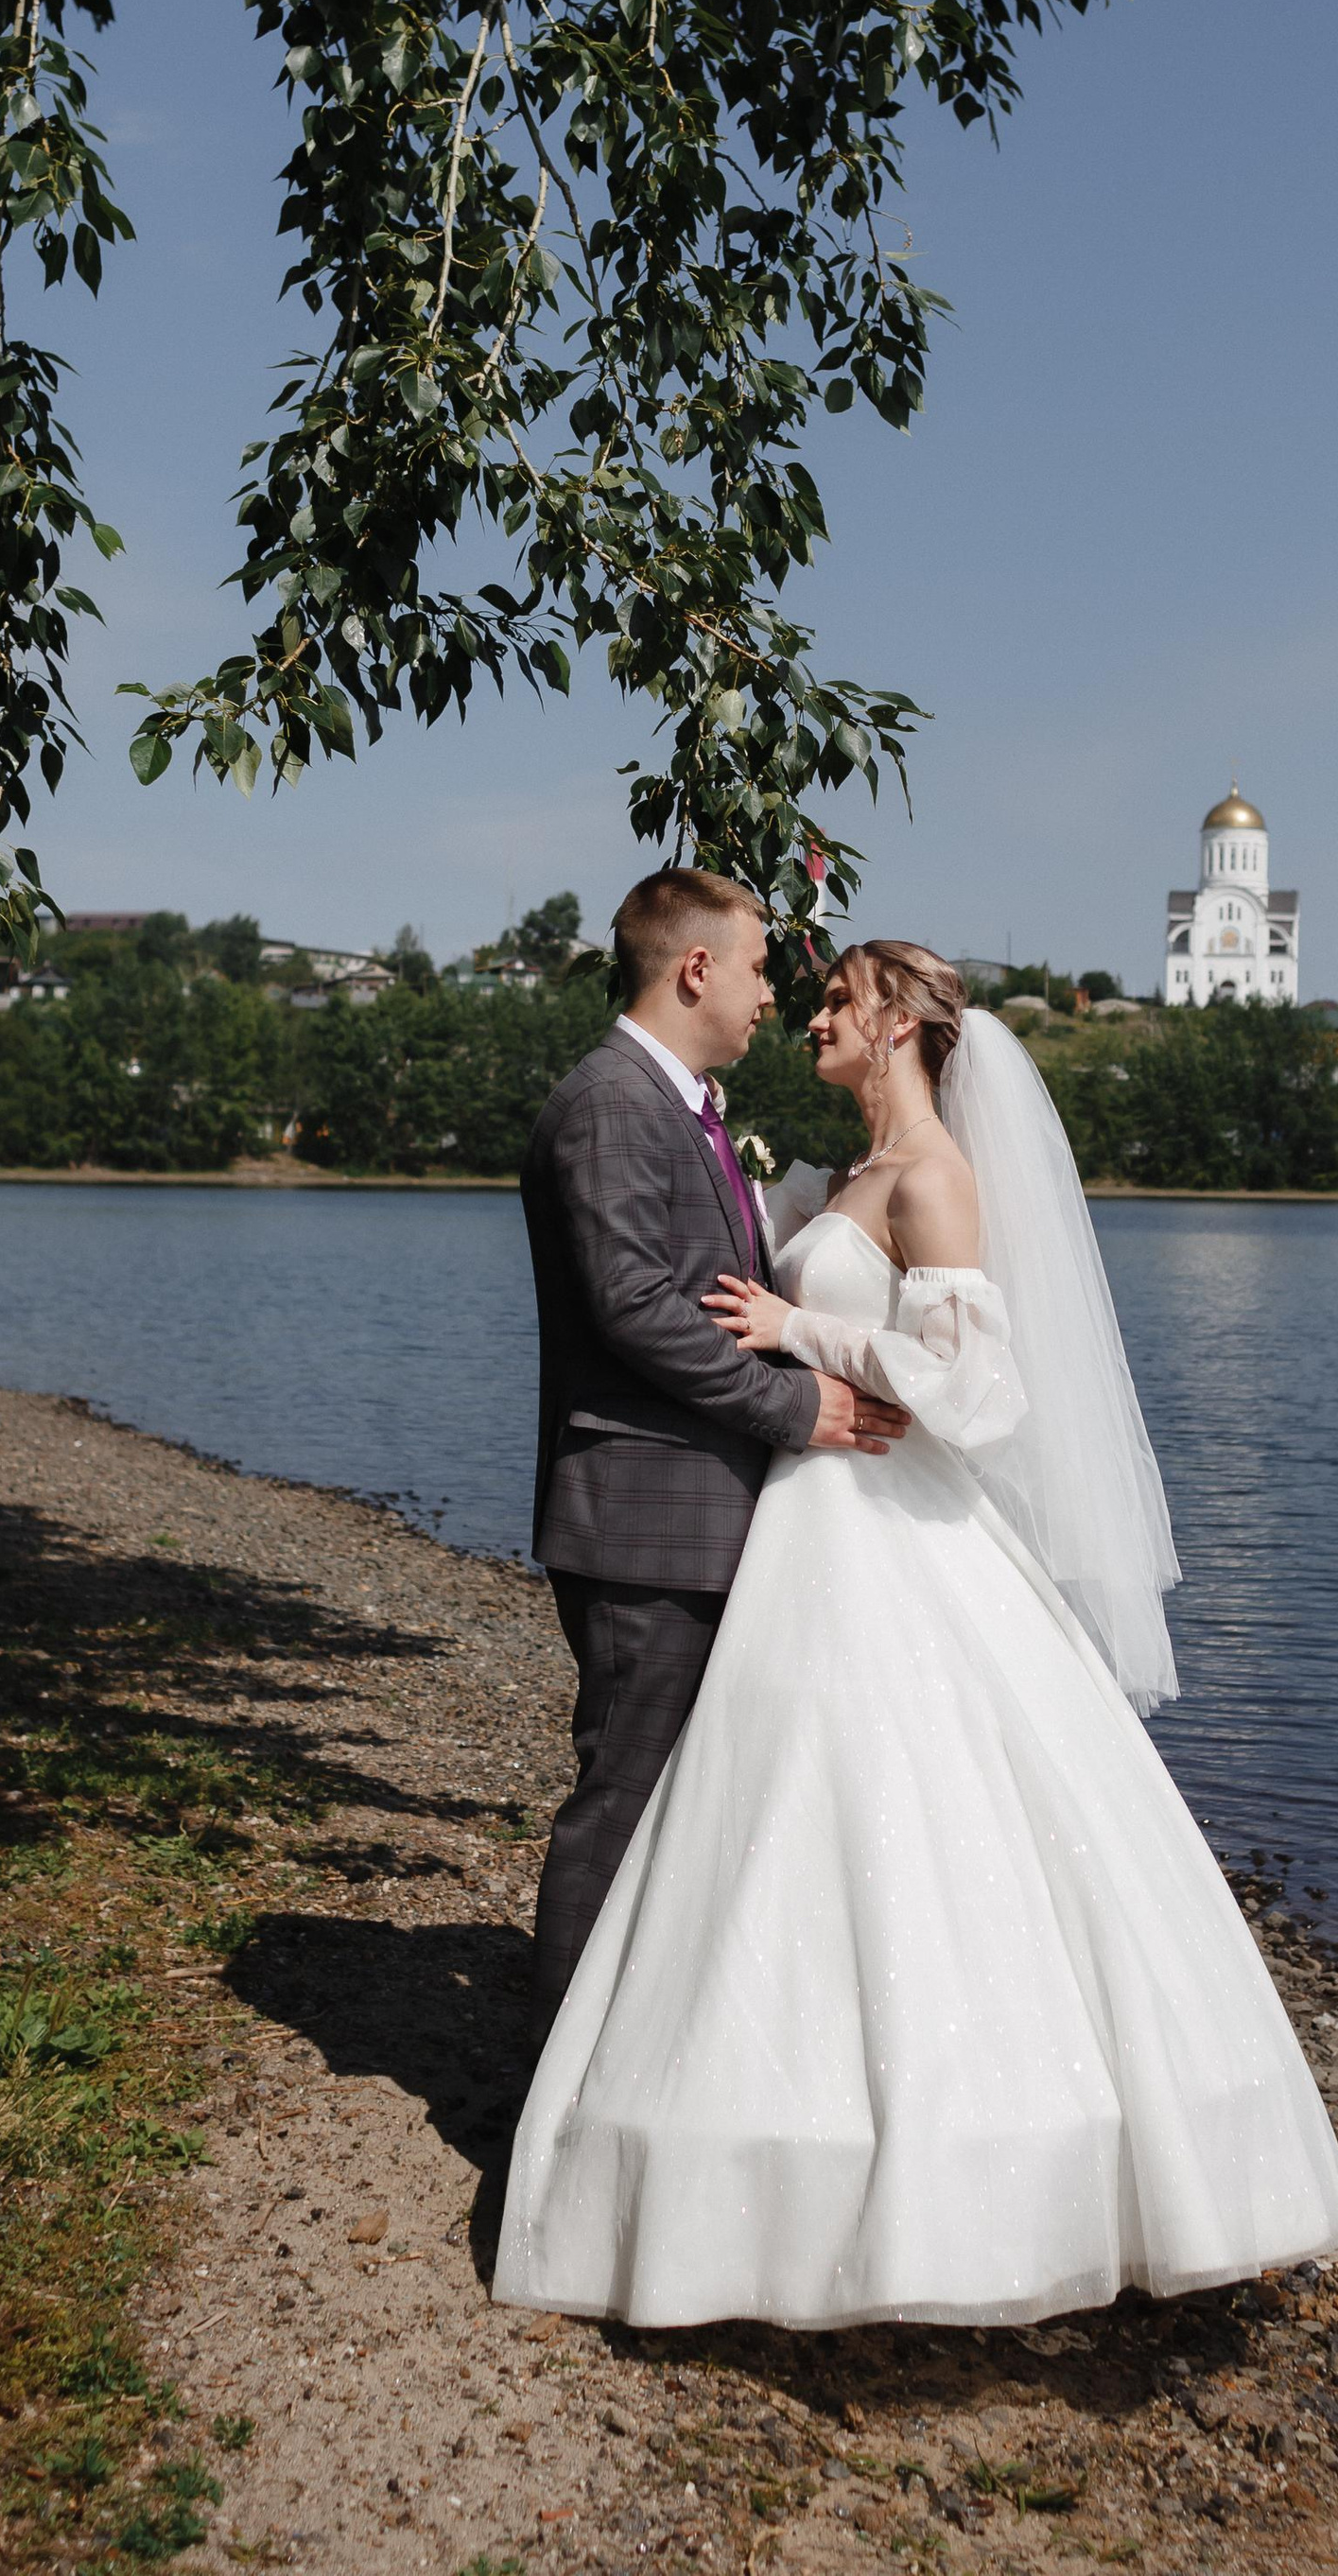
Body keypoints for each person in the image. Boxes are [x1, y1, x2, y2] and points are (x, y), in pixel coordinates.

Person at [498, 935, 1338, 2327]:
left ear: (899, 1025)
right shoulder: (843, 1179)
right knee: (782, 1825)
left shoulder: (939, 1175)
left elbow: (982, 1395)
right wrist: (789, 1329)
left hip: (888, 1529)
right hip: (810, 1527)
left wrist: (805, 1330)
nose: (812, 1014)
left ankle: (962, 2180)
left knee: (913, 1827)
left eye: (838, 999)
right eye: (812, 989)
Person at [519, 869, 911, 2050]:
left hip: (697, 1513)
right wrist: (799, 1409)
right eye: (754, 969)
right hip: (643, 1514)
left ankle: (644, 2052)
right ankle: (557, 2086)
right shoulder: (610, 1103)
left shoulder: (679, 1104)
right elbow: (634, 1306)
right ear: (695, 967)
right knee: (624, 1804)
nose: (766, 998)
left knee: (685, 1810)